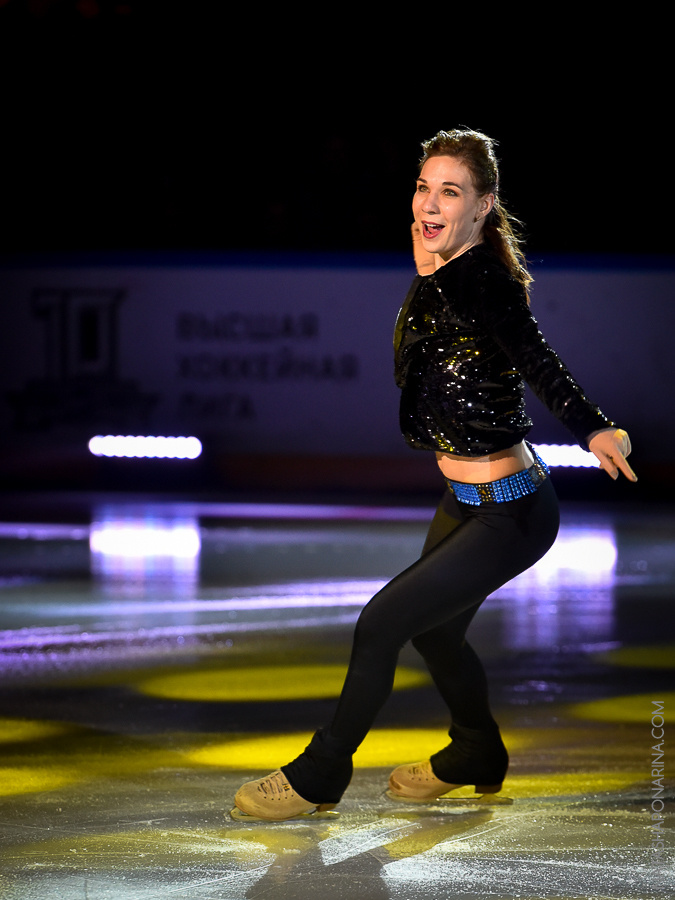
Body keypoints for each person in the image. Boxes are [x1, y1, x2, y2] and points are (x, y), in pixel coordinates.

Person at [230, 128, 637, 821]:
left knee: (379, 624)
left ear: (484, 205)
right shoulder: (444, 266)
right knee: (434, 632)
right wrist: (430, 246)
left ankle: (322, 770)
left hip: (509, 511)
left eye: (450, 191)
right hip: (466, 499)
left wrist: (592, 424)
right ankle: (476, 747)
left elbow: (537, 358)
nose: (429, 202)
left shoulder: (485, 281)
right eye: (423, 186)